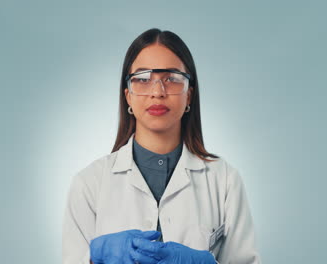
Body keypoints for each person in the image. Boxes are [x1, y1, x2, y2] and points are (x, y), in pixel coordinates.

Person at [62, 28, 262, 264]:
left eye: (172, 78)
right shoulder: (89, 184)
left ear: (189, 95)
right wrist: (94, 260)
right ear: (127, 95)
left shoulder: (224, 180)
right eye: (143, 79)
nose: (157, 92)